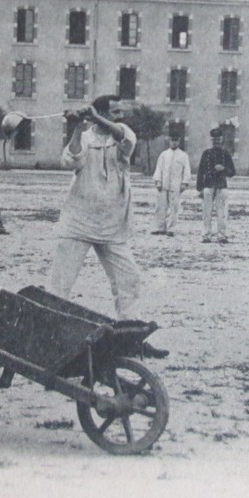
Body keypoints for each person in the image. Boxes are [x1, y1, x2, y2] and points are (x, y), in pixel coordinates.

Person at [48, 96, 150, 326]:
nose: (121, 117)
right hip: (78, 221)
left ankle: (130, 327)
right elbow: (70, 162)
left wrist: (94, 116)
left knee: (129, 278)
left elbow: (123, 137)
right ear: (103, 113)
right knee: (60, 282)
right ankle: (49, 328)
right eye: (115, 112)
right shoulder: (85, 138)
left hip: (113, 223)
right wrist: (77, 125)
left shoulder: (123, 134)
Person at [195, 127, 236, 243]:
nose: (216, 142)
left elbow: (233, 172)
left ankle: (222, 235)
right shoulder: (206, 154)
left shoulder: (226, 154)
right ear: (211, 140)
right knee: (206, 212)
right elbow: (200, 172)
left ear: (221, 140)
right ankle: (206, 235)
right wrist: (199, 188)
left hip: (221, 186)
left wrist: (224, 169)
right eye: (214, 140)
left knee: (222, 212)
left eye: (218, 140)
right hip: (208, 185)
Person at [151, 135, 191, 236]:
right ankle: (160, 227)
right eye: (172, 140)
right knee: (160, 207)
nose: (174, 143)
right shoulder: (164, 155)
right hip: (163, 185)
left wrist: (184, 183)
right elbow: (159, 169)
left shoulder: (183, 156)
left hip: (176, 186)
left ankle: (171, 228)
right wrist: (158, 181)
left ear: (179, 141)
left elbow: (186, 170)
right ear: (169, 141)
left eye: (176, 140)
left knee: (174, 207)